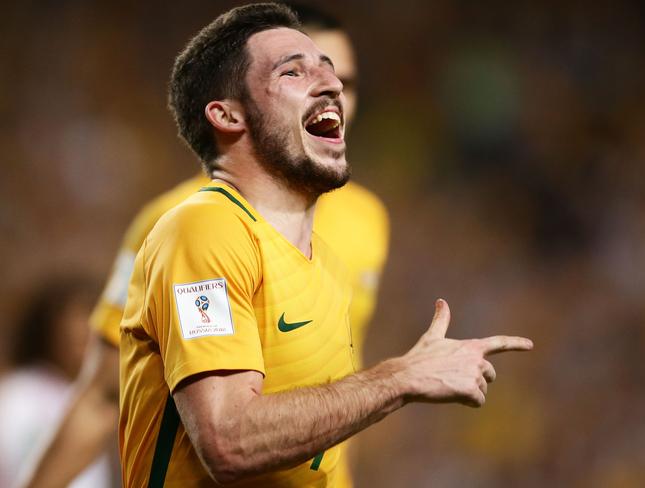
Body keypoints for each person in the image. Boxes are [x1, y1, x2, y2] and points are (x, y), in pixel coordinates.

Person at [118, 3, 532, 487]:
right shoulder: (203, 231)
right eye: (293, 71)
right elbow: (228, 442)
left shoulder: (329, 266)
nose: (331, 84)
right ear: (227, 115)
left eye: (329, 70)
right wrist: (401, 377)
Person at [20, 4, 389, 488]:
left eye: (346, 80)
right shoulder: (180, 226)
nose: (334, 91)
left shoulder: (366, 220)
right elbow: (105, 395)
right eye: (296, 73)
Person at [0, 276, 113, 488]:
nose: (93, 328)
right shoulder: (21, 393)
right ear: (51, 329)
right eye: (84, 314)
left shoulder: (75, 392)